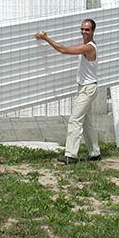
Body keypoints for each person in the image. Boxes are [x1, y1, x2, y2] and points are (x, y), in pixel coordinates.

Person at [34, 19, 101, 164]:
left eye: (87, 30)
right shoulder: (88, 46)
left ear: (93, 31)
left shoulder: (89, 48)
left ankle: (71, 155)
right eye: (82, 29)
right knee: (87, 122)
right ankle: (95, 153)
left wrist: (46, 38)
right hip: (86, 87)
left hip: (87, 89)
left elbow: (64, 50)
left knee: (75, 120)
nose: (84, 32)